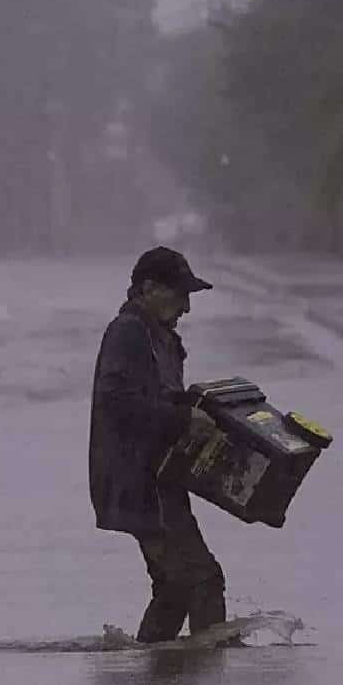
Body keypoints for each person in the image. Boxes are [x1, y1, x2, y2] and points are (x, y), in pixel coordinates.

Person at [88, 246, 226, 643]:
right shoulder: (129, 331)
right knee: (201, 579)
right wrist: (183, 417)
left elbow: (158, 396)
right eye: (180, 294)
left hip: (159, 476)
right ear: (148, 288)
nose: (186, 307)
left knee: (174, 587)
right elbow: (117, 400)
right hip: (141, 480)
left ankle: (151, 670)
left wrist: (201, 410)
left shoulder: (156, 334)